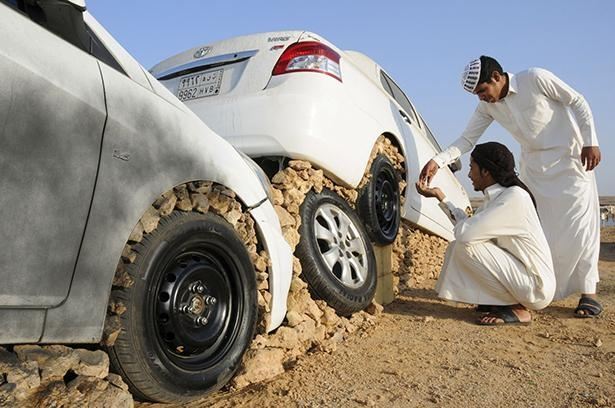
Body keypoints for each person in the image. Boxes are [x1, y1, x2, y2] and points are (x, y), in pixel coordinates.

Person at [419, 56, 603, 318]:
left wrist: (590, 141)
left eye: (482, 91)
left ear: (496, 77)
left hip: (571, 162)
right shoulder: (488, 108)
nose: (481, 98)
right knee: (545, 231)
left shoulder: (535, 78)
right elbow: (467, 139)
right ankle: (539, 290)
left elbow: (577, 101)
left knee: (580, 228)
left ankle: (589, 293)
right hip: (534, 169)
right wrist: (438, 161)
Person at [416, 142, 555, 325]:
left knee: (465, 246)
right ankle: (498, 300)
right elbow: (467, 225)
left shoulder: (513, 197)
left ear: (486, 171)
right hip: (524, 279)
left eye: (472, 167)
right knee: (461, 245)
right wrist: (440, 197)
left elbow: (466, 234)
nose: (469, 174)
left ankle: (518, 308)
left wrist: (458, 219)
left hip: (536, 286)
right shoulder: (498, 198)